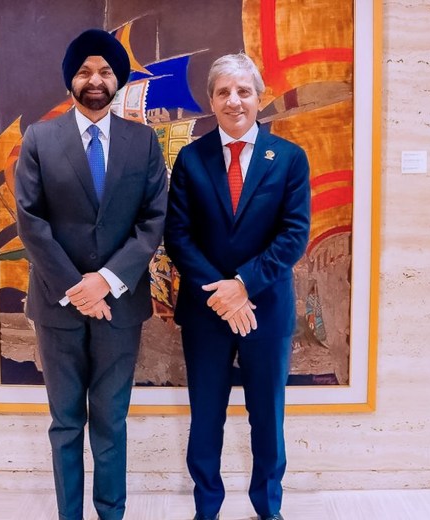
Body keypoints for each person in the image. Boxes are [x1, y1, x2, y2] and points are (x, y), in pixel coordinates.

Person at [14, 29, 167, 520]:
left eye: (104, 71)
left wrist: (106, 281)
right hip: (56, 307)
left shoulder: (144, 142)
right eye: (84, 71)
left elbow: (153, 220)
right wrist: (75, 287)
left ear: (118, 80)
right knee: (65, 423)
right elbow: (30, 221)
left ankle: (110, 513)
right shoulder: (40, 139)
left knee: (110, 421)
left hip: (120, 306)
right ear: (70, 81)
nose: (95, 80)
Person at [164, 53, 311, 520]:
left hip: (265, 309)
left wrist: (243, 285)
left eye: (243, 91)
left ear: (259, 98)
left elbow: (293, 235)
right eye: (223, 92)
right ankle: (206, 508)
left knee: (266, 416)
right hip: (206, 312)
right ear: (211, 101)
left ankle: (268, 508)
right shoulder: (191, 159)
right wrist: (223, 294)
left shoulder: (288, 158)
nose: (234, 101)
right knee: (206, 416)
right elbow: (178, 236)